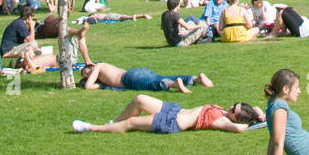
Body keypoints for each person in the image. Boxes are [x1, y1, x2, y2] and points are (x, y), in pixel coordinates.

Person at [73, 98, 264, 135]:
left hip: (173, 122)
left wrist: (252, 124)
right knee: (139, 99)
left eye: (233, 111)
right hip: (175, 110)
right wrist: (259, 115)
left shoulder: (223, 121)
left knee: (131, 123)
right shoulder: (226, 113)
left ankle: (91, 127)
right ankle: (113, 123)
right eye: (234, 105)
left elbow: (239, 128)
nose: (230, 108)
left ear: (234, 118)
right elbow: (254, 107)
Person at [79, 62, 214, 92]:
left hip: (128, 79)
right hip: (137, 71)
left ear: (91, 67)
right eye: (85, 76)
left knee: (150, 85)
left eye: (86, 73)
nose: (87, 76)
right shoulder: (106, 66)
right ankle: (195, 79)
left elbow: (88, 86)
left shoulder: (98, 67)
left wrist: (101, 85)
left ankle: (173, 85)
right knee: (159, 77)